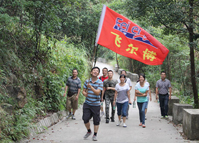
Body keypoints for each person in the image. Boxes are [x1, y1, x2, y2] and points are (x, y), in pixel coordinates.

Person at [82, 67, 103, 141]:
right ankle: (89, 131)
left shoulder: (100, 82)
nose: (95, 71)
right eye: (94, 70)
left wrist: (90, 87)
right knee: (85, 118)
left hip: (96, 104)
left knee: (96, 120)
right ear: (91, 72)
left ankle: (95, 134)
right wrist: (85, 94)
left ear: (98, 74)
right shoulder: (87, 81)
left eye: (97, 71)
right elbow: (83, 91)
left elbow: (97, 93)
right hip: (87, 103)